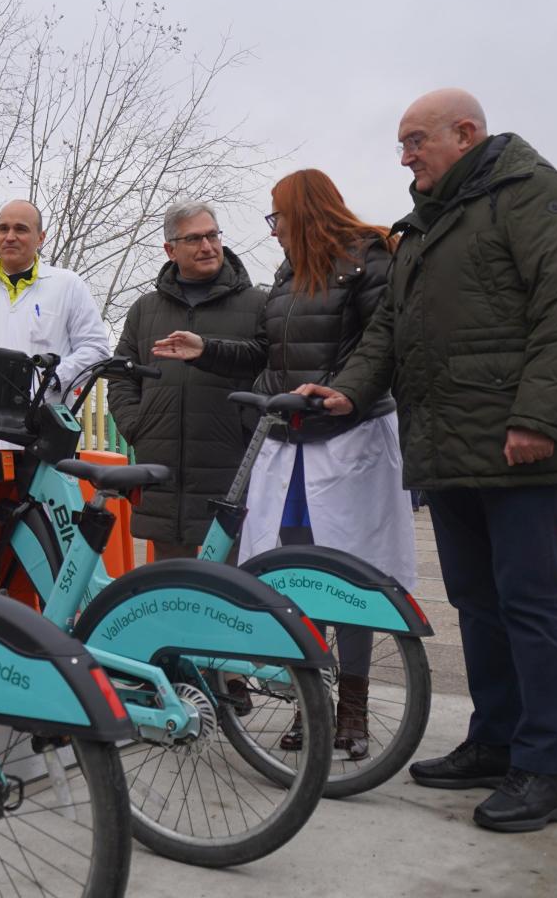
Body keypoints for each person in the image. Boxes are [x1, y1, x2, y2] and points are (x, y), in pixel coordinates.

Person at [301, 89, 557, 832]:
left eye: (415, 141)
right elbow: (389, 333)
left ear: (464, 133)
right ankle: (495, 741)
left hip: (517, 443)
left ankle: (544, 768)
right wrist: (346, 393)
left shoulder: (532, 195)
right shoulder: (425, 227)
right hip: (448, 447)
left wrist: (537, 415)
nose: (404, 157)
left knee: (531, 602)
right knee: (477, 601)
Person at [152, 171, 415, 760]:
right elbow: (268, 359)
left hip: (348, 441)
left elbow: (379, 349)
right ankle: (311, 704)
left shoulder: (371, 262)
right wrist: (206, 350)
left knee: (347, 580)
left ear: (307, 212)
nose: (271, 231)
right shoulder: (288, 275)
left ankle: (352, 710)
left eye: (278, 218)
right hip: (291, 444)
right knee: (294, 578)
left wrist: (340, 393)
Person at [105, 201, 264, 560]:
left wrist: (243, 427)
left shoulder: (257, 305)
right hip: (163, 473)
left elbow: (269, 371)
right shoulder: (145, 309)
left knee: (229, 588)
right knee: (168, 590)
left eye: (212, 235)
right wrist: (139, 426)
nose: (207, 246)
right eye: (194, 239)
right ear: (170, 249)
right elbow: (120, 377)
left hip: (229, 468)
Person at [0, 200, 111, 454]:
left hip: (45, 431)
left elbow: (96, 350)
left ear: (40, 237)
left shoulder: (68, 285)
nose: (10, 237)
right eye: (3, 229)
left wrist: (52, 378)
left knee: (43, 494)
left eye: (20, 229)